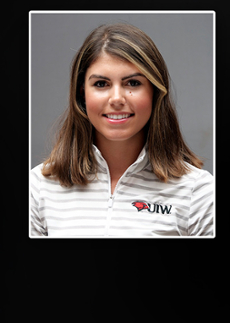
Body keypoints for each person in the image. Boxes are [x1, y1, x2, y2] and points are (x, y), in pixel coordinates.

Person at [29, 23, 214, 237]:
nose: (117, 99)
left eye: (133, 83)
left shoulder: (198, 192)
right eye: (101, 84)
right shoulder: (39, 188)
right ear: (82, 94)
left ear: (155, 92)